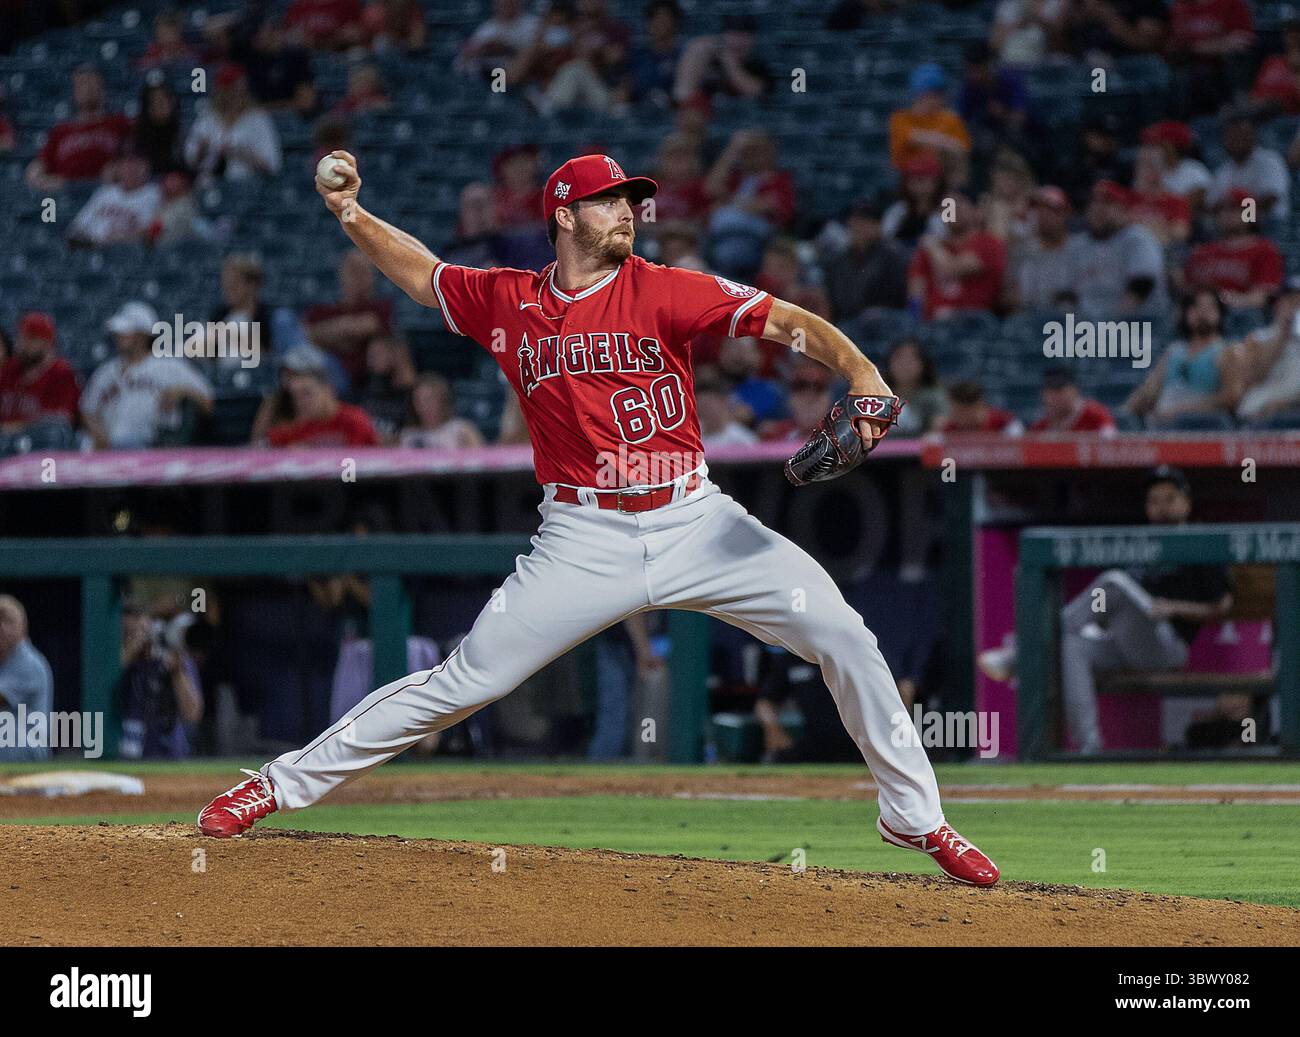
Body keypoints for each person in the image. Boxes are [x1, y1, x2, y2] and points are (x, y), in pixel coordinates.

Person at [198, 148, 1000, 887]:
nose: (628, 213)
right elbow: (424, 276)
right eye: (610, 202)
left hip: (696, 518)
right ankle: (273, 784)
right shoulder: (508, 301)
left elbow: (791, 322)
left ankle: (915, 817)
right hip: (582, 537)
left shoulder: (665, 287)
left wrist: (862, 373)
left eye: (631, 201)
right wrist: (350, 213)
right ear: (564, 216)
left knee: (844, 635)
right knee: (463, 683)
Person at [980, 467, 1233, 755]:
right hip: (1128, 641)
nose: (1161, 507)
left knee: (1112, 581)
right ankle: (1089, 748)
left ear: (1186, 503)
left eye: (1170, 499)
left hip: (1169, 646)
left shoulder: (1202, 540)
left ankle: (1020, 652)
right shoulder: (1140, 543)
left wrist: (1174, 607)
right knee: (1071, 644)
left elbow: (1223, 605)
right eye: (1154, 500)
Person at [81, 302, 214, 449]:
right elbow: (88, 410)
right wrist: (97, 432)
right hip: (111, 450)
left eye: (124, 332)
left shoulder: (169, 365)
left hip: (153, 448)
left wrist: (182, 391)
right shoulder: (105, 371)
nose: (117, 335)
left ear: (142, 335)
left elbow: (208, 401)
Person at [1124, 289, 1242, 431]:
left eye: (1209, 307)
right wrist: (1123, 414)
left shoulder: (1228, 351)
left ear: (1220, 313)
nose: (1202, 312)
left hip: (1203, 428)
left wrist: (1183, 410)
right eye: (1196, 306)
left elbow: (1232, 398)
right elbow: (1149, 390)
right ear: (1186, 313)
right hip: (1164, 428)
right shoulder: (1173, 351)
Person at [116, 601, 204, 760]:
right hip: (123, 754)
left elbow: (192, 714)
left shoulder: (174, 656)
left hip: (169, 754)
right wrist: (132, 648)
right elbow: (100, 694)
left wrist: (177, 672)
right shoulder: (119, 660)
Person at [25, 64, 132, 192]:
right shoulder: (61, 131)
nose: (87, 89)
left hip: (108, 194)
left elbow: (138, 157)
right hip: (65, 196)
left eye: (92, 83)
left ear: (103, 88)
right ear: (74, 92)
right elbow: (38, 167)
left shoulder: (119, 123)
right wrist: (40, 179)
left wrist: (120, 168)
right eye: (81, 84)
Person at [1071, 180, 1168, 319]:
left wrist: (1110, 326)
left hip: (1140, 325)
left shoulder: (1138, 238)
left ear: (1124, 210)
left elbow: (1140, 288)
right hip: (1091, 327)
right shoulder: (1078, 244)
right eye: (1094, 203)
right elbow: (1066, 294)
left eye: (1107, 204)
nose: (1098, 209)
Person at [907, 194, 1007, 320]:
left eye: (958, 206)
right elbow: (916, 293)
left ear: (976, 211)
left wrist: (932, 247)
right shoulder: (928, 249)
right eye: (946, 208)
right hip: (933, 324)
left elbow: (952, 269)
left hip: (974, 323)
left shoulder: (989, 243)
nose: (952, 212)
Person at [303, 249, 395, 386]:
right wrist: (345, 333)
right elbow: (308, 335)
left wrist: (328, 337)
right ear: (341, 274)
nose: (358, 277)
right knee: (283, 319)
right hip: (322, 374)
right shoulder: (324, 311)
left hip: (357, 378)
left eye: (363, 271)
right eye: (352, 270)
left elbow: (365, 326)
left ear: (372, 277)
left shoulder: (381, 307)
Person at [1182, 189, 1283, 311]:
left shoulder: (1265, 250)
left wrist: (1226, 301)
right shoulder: (1203, 251)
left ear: (1250, 213)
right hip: (1201, 315)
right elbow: (1187, 290)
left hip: (1242, 317)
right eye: (1222, 209)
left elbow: (1262, 297)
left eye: (1234, 209)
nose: (1227, 214)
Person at [264, 344, 380, 448]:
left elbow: (365, 463)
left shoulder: (354, 421)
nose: (301, 402)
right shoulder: (295, 429)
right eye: (295, 397)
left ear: (327, 389)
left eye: (307, 393)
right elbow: (261, 448)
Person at [184, 64, 283, 183]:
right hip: (210, 185)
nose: (233, 94)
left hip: (249, 186)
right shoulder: (207, 118)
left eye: (237, 88)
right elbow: (190, 160)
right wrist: (203, 149)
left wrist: (240, 153)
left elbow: (273, 165)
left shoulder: (258, 119)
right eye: (228, 89)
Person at [821, 199, 909, 319]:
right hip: (847, 324)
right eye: (855, 221)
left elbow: (894, 300)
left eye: (865, 222)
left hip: (883, 322)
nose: (858, 227)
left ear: (878, 226)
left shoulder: (893, 257)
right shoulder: (837, 261)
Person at [1234, 275, 1300, 427]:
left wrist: (1287, 404)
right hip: (1258, 413)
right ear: (1278, 304)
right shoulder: (1258, 338)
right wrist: (1283, 335)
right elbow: (1251, 379)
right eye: (1291, 301)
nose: (1296, 307)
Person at [0, 312, 81, 435]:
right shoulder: (9, 370)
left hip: (43, 449)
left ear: (47, 343)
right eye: (21, 337)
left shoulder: (62, 374)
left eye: (31, 339)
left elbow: (57, 425)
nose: (22, 344)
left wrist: (12, 428)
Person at [1013, 185, 1085, 310]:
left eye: (1051, 210)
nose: (1043, 215)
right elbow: (1011, 298)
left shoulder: (1080, 249)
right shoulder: (1023, 251)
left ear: (1065, 213)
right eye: (1038, 210)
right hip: (1030, 320)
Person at [66, 154, 162, 247]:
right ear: (119, 169)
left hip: (123, 250)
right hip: (89, 247)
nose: (131, 170)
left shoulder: (155, 194)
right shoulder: (105, 191)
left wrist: (117, 239)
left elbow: (149, 232)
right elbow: (77, 226)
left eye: (137, 166)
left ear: (147, 170)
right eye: (127, 165)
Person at [0, 596, 54, 763]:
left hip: (27, 747)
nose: (1, 627)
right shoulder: (4, 659)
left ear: (23, 628)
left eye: (7, 621)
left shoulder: (28, 661)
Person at [1208, 114, 1289, 221]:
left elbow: (1271, 199)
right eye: (1232, 137)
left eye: (1241, 136)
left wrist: (1243, 218)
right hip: (1232, 227)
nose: (1237, 141)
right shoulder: (1223, 170)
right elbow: (1212, 204)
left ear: (1252, 136)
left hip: (1270, 223)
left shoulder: (1270, 160)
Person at [399, 374, 483, 448]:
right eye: (419, 401)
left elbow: (481, 460)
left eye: (429, 399)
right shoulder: (408, 435)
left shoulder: (462, 430)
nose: (424, 406)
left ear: (443, 400)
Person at [883, 339, 945, 437]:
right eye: (899, 359)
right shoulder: (878, 396)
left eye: (911, 360)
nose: (904, 365)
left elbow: (939, 427)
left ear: (923, 365)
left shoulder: (934, 397)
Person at [1028, 366, 1117, 433]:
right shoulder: (1040, 425)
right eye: (1050, 390)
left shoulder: (1095, 415)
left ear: (1074, 390)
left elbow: (1111, 443)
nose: (1054, 396)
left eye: (1059, 390)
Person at [940, 379, 1023, 435]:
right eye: (953, 410)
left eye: (959, 411)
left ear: (978, 406)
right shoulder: (948, 430)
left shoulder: (1005, 424)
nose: (954, 415)